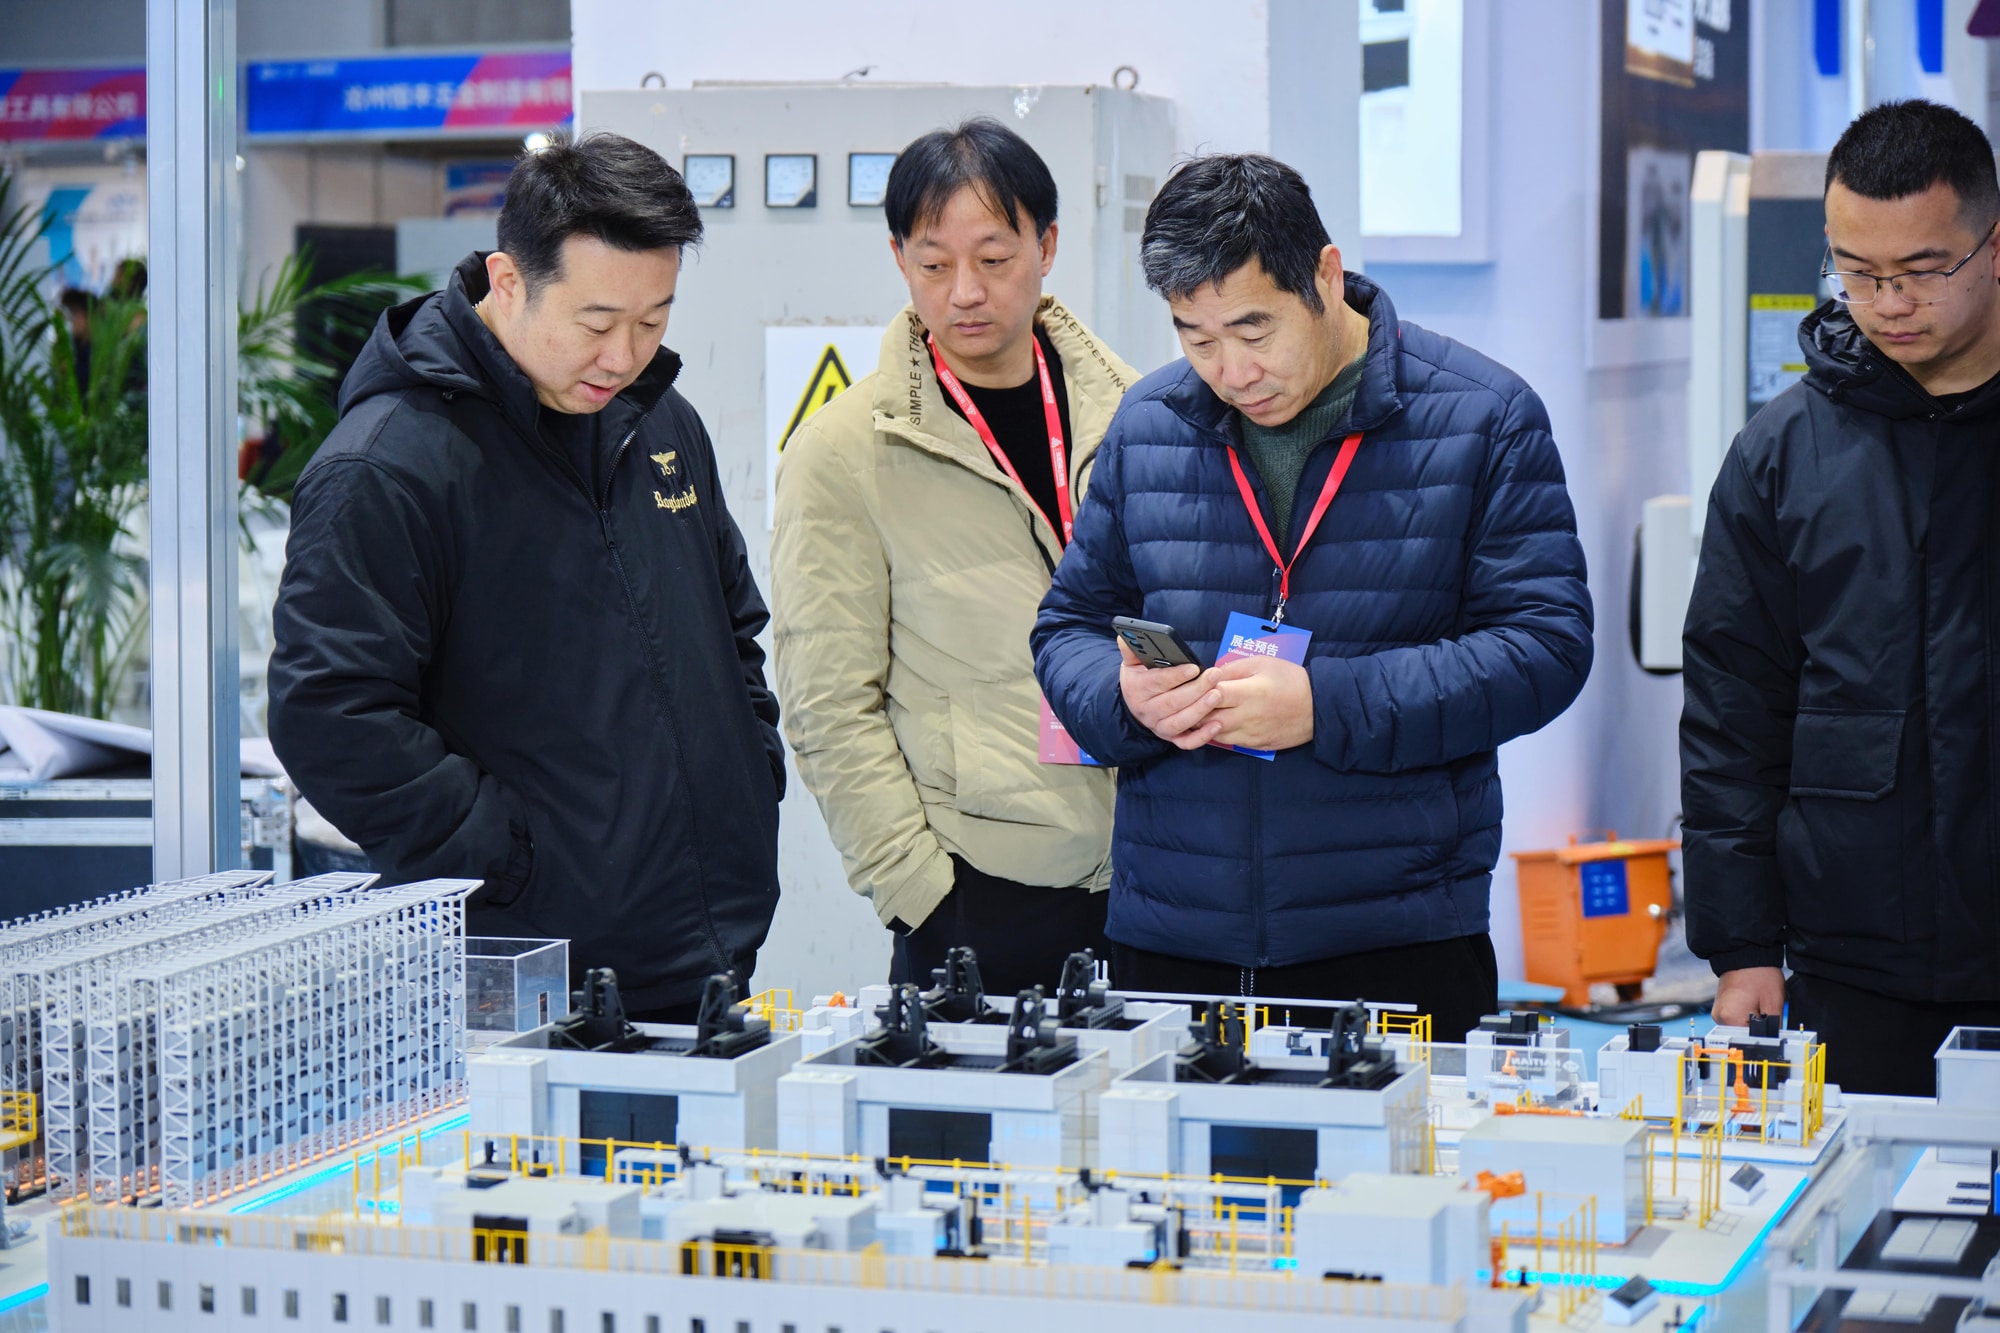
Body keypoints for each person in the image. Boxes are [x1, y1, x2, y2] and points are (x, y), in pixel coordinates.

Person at [1032, 154, 1593, 1038]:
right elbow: (1067, 625)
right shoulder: (1150, 424)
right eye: (1196, 338)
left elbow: (1545, 648)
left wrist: (1326, 705)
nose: (1232, 371)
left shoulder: (1481, 417)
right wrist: (1122, 697)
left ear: (1325, 276)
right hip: (1173, 936)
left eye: (1254, 330)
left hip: (1394, 937)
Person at [268, 133, 783, 1023]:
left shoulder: (660, 424)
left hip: (703, 952)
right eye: (596, 323)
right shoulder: (388, 467)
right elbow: (329, 713)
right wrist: (507, 859)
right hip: (522, 980)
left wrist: (748, 773)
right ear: (508, 281)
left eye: (653, 321)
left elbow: (730, 626)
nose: (624, 356)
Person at [771, 119, 1136, 997]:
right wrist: (921, 896)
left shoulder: (1140, 416)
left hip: (1154, 878)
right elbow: (828, 704)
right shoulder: (843, 451)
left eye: (995, 259)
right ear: (899, 259)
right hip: (979, 896)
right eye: (934, 264)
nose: (965, 292)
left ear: (1047, 247)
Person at [1682, 99, 2000, 1096]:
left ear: (1992, 247)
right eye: (1855, 272)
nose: (1886, 302)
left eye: (1920, 270)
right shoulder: (1782, 454)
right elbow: (1732, 712)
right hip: (1856, 960)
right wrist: (1741, 944)